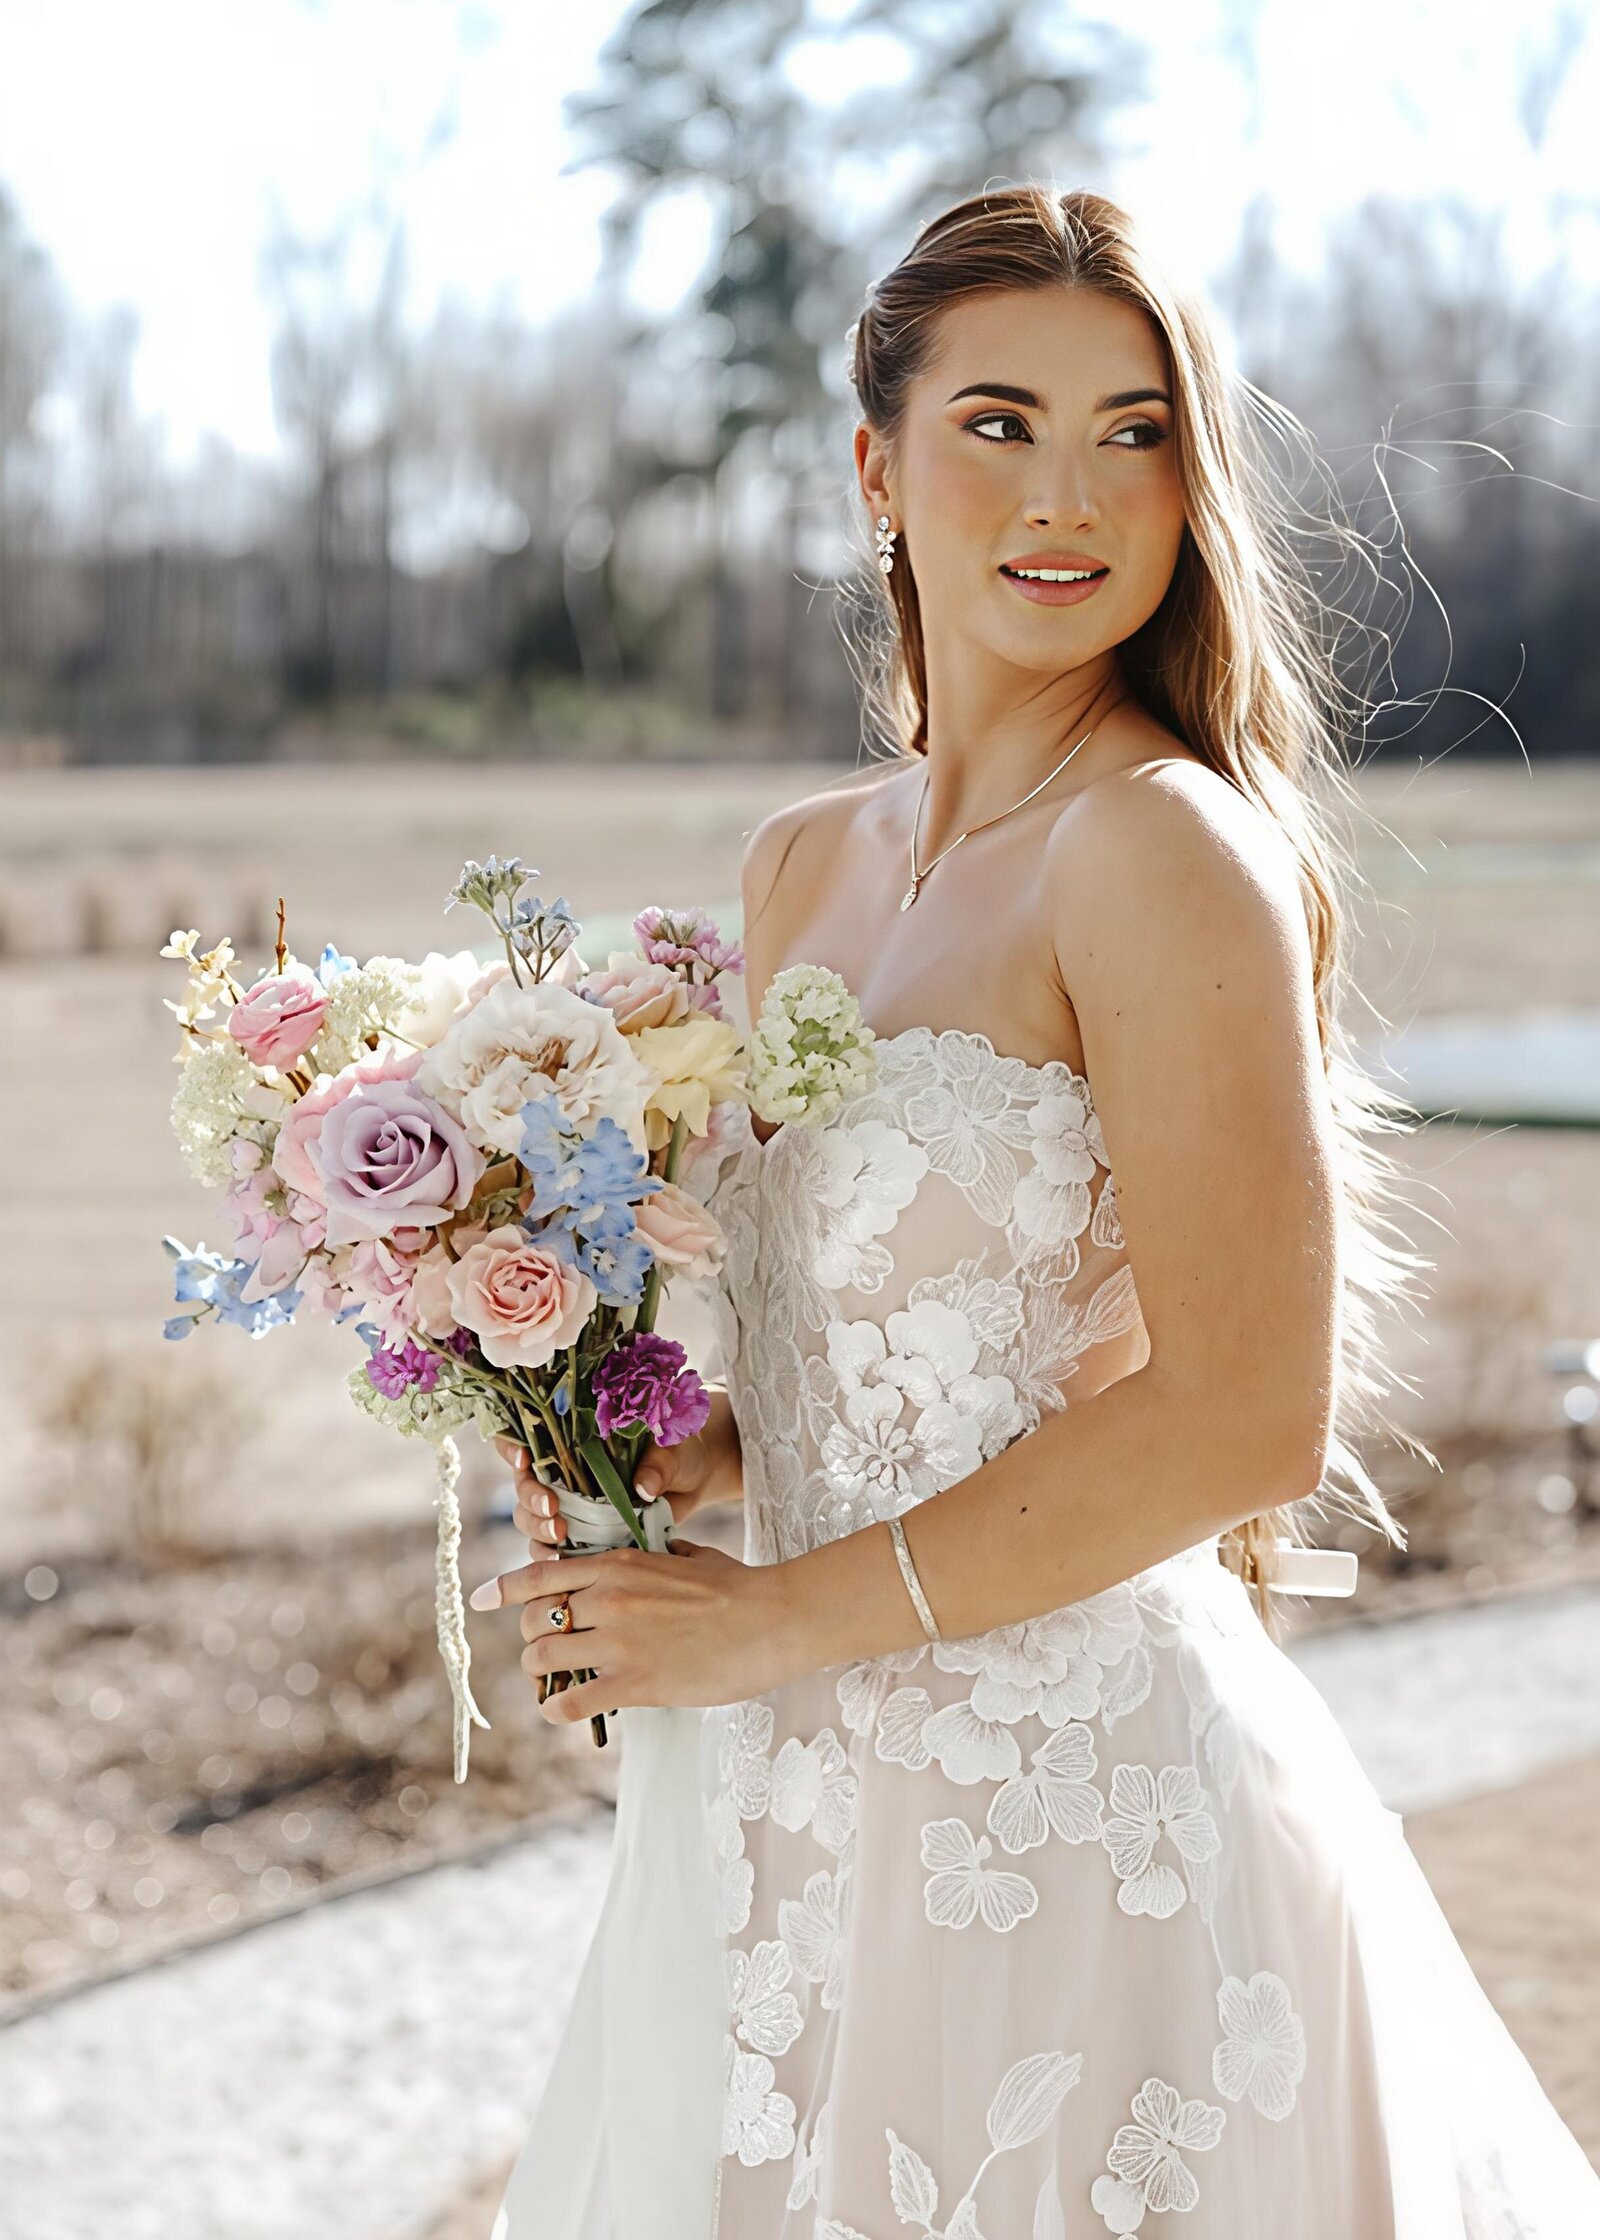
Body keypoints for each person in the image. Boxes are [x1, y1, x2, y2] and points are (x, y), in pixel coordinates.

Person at [481, 186, 1600, 2237]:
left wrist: (770, 1620)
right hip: (793, 1799)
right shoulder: (800, 867)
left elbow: (1237, 1419)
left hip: (1077, 1815)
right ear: (871, 466)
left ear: (1192, 482)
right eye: (996, 420)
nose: (1066, 490)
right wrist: (602, 1424)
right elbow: (825, 1382)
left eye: (1133, 428)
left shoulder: (1163, 853)